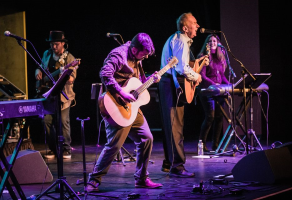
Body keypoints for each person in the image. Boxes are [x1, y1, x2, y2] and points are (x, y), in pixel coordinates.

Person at [87, 33, 163, 192]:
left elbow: (138, 82)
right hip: (115, 104)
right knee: (114, 145)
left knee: (146, 138)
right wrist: (122, 93)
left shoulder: (137, 59)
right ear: (135, 50)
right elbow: (105, 74)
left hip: (131, 106)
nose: (146, 57)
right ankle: (93, 180)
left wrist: (151, 79)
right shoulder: (118, 55)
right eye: (144, 54)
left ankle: (141, 178)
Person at [158, 12, 209, 177]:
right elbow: (181, 69)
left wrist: (197, 65)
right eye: (194, 23)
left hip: (169, 85)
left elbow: (183, 65)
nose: (198, 25)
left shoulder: (180, 40)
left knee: (171, 126)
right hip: (170, 85)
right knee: (175, 127)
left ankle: (169, 163)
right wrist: (197, 76)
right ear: (185, 28)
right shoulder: (181, 40)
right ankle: (177, 167)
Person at [35, 30, 78, 159]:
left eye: (56, 44)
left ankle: (66, 149)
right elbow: (40, 67)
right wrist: (37, 71)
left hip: (63, 95)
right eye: (52, 44)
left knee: (63, 122)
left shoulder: (70, 58)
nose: (54, 47)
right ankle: (53, 149)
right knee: (47, 121)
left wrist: (67, 76)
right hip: (48, 94)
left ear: (63, 44)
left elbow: (72, 78)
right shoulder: (47, 54)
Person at [196, 34, 229, 152]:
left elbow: (222, 76)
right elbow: (202, 76)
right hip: (207, 90)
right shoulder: (203, 56)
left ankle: (216, 145)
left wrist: (229, 85)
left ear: (218, 43)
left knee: (219, 117)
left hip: (219, 91)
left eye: (214, 41)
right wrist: (214, 84)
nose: (212, 43)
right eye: (210, 41)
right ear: (207, 44)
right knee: (210, 117)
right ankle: (202, 144)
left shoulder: (221, 57)